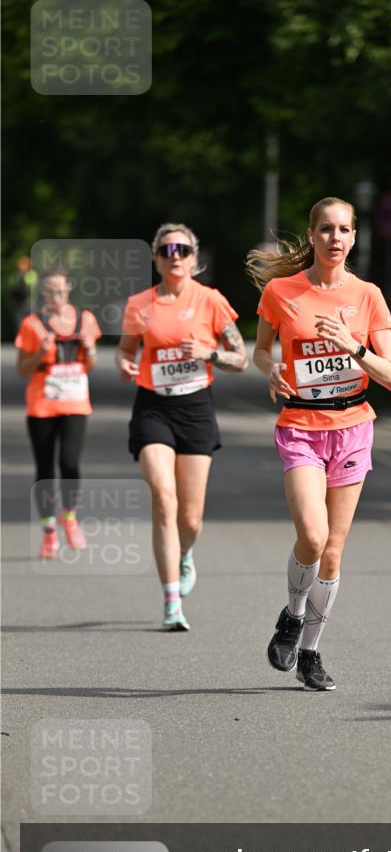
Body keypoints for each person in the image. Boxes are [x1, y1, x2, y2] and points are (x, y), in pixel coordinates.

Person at [248, 196, 391, 691]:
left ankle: (310, 653)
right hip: (300, 426)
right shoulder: (281, 291)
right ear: (312, 235)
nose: (335, 238)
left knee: (332, 552)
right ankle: (292, 617)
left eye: (344, 230)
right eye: (326, 229)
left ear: (354, 238)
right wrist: (271, 369)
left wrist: (352, 346)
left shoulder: (368, 295)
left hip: (353, 426)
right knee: (312, 537)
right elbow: (261, 350)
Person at [117, 223, 247, 631]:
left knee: (190, 520)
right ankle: (171, 601)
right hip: (152, 408)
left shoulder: (210, 300)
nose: (175, 256)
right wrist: (125, 365)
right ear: (156, 259)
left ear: (194, 259)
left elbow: (241, 357)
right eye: (167, 250)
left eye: (183, 250)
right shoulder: (140, 304)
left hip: (195, 410)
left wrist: (209, 353)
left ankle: (185, 552)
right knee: (163, 494)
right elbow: (125, 351)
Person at [15, 266, 101, 559]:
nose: (56, 297)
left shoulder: (85, 320)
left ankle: (69, 517)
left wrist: (89, 349)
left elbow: (90, 364)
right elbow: (22, 369)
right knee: (45, 469)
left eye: (61, 291)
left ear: (69, 288)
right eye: (50, 292)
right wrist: (40, 352)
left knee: (69, 463)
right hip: (42, 406)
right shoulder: (32, 324)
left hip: (75, 404)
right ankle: (48, 530)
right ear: (42, 292)